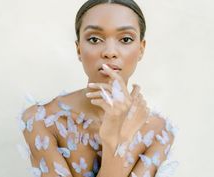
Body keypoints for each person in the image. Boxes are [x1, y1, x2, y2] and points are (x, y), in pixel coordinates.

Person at [18, 0, 178, 176]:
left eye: (125, 39)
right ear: (79, 49)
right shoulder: (41, 120)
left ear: (141, 49)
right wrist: (116, 138)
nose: (110, 52)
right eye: (94, 39)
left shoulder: (159, 131)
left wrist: (118, 136)